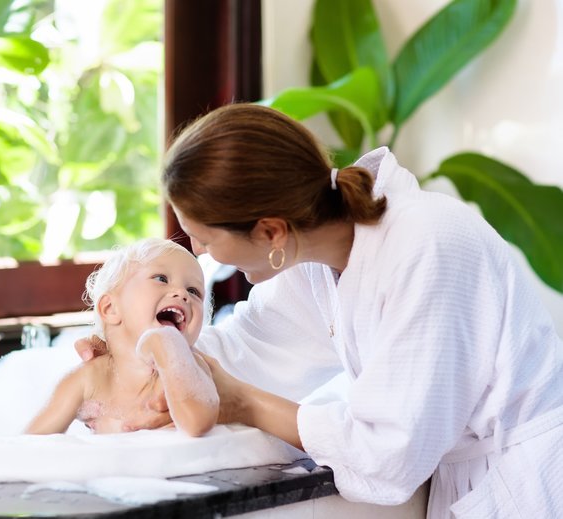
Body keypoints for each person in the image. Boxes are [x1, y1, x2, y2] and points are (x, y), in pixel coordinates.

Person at [78, 103, 563, 517]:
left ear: (270, 232)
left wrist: (243, 402)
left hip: (533, 482)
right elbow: (250, 347)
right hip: (477, 480)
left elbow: (389, 453)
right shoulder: (315, 259)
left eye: (205, 239)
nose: (204, 256)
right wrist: (131, 359)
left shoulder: (425, 247)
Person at [26, 237, 218, 437]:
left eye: (194, 291)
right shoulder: (89, 379)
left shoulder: (188, 367)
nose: (182, 294)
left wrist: (168, 348)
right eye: (161, 279)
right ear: (110, 309)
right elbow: (29, 444)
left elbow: (198, 423)